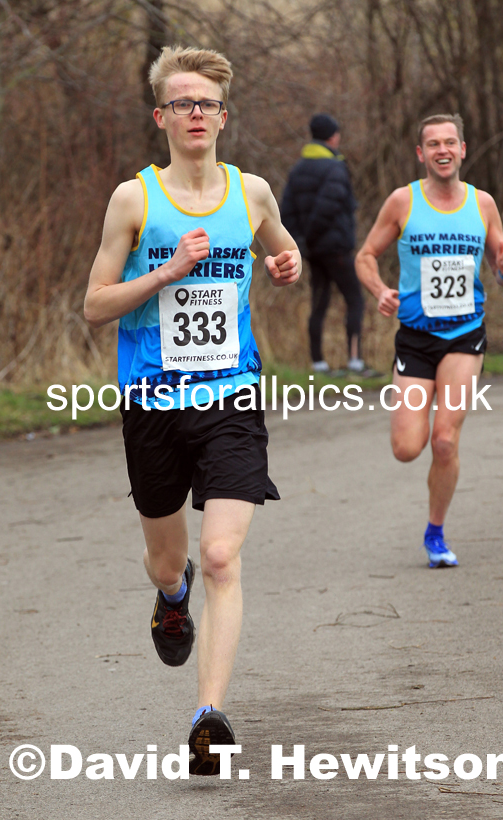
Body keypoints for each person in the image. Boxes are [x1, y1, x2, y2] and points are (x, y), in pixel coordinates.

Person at [84, 45, 300, 775]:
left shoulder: (254, 193)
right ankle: (169, 597)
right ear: (161, 117)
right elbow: (93, 306)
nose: (195, 113)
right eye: (182, 103)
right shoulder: (134, 199)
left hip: (229, 395)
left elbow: (281, 250)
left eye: (206, 102)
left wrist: (285, 263)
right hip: (151, 401)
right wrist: (168, 271)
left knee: (220, 555)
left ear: (223, 114)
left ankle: (208, 716)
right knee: (169, 558)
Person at [355, 113, 503, 568]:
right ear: (421, 154)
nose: (443, 150)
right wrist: (380, 290)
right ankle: (419, 427)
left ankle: (435, 533)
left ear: (463, 149)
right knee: (408, 448)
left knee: (444, 441)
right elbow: (366, 255)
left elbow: (501, 266)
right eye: (433, 144)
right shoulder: (402, 202)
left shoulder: (482, 204)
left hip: (465, 334)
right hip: (415, 338)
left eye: (451, 142)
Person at [281, 113, 368, 374]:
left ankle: (318, 362)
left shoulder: (297, 169)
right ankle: (355, 361)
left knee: (319, 302)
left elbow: (286, 212)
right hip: (335, 249)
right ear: (333, 136)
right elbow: (328, 207)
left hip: (312, 252)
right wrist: (311, 236)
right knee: (355, 300)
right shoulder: (335, 167)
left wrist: (301, 243)